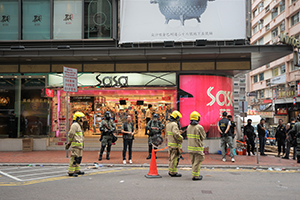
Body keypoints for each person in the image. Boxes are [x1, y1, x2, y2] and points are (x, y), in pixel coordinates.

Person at [187, 111, 206, 181]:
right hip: (197, 147)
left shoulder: (189, 127)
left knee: (193, 162)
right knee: (197, 162)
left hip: (190, 147)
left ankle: (195, 174)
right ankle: (195, 176)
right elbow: (203, 136)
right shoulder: (199, 127)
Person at [66, 111, 85, 177]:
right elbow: (71, 134)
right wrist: (70, 142)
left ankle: (77, 170)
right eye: (81, 118)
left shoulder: (79, 125)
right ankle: (71, 171)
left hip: (79, 145)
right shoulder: (75, 125)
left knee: (78, 158)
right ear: (77, 118)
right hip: (75, 145)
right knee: (74, 159)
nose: (83, 119)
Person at [166, 110, 183, 177]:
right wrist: (180, 138)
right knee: (175, 159)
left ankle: (170, 171)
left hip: (170, 144)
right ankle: (173, 172)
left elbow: (172, 133)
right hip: (175, 145)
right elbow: (176, 134)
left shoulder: (168, 124)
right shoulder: (174, 124)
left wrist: (178, 132)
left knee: (171, 159)